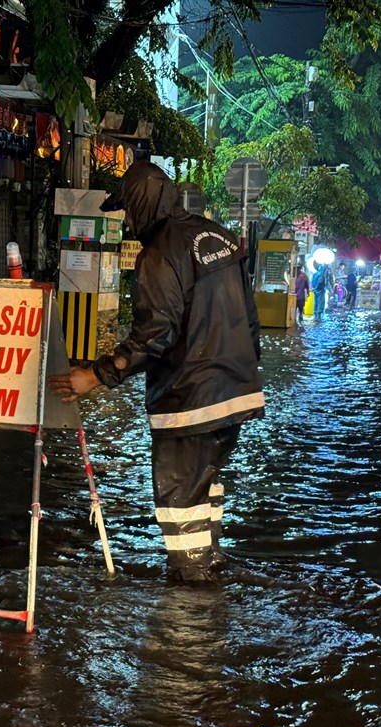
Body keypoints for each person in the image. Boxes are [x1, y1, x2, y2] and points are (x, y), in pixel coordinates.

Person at [49, 162, 265, 583]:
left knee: (181, 504)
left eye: (129, 211)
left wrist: (95, 376)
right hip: (237, 394)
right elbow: (251, 317)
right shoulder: (217, 237)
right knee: (205, 492)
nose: (128, 223)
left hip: (190, 401)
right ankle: (210, 570)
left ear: (144, 204)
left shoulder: (160, 254)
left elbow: (154, 335)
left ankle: (189, 609)